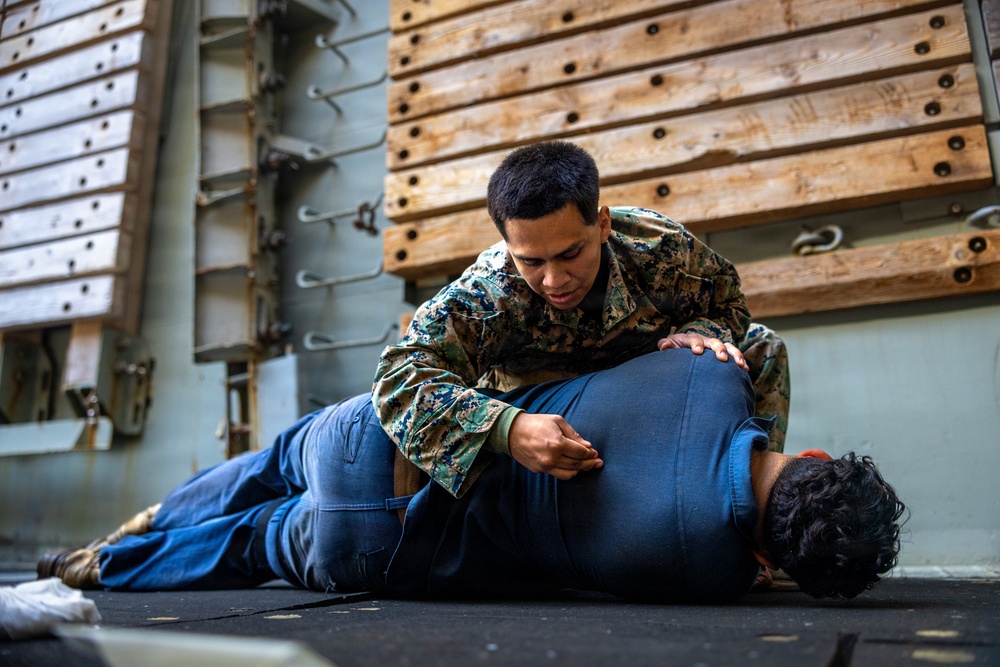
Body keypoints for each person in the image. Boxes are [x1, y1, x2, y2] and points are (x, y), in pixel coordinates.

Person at [37, 351, 904, 602]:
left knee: (266, 465)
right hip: (382, 542)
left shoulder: (713, 372)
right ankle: (108, 568)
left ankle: (142, 516)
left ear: (814, 457)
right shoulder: (709, 573)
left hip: (376, 434)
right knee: (254, 542)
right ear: (775, 560)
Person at [373, 140, 790, 499]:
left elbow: (726, 302)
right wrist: (508, 430)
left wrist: (699, 332)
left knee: (761, 346)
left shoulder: (659, 247)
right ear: (507, 245)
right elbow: (397, 378)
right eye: (531, 261)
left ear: (603, 224)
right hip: (549, 424)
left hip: (648, 392)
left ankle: (755, 499)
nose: (554, 280)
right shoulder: (488, 294)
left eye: (570, 253)